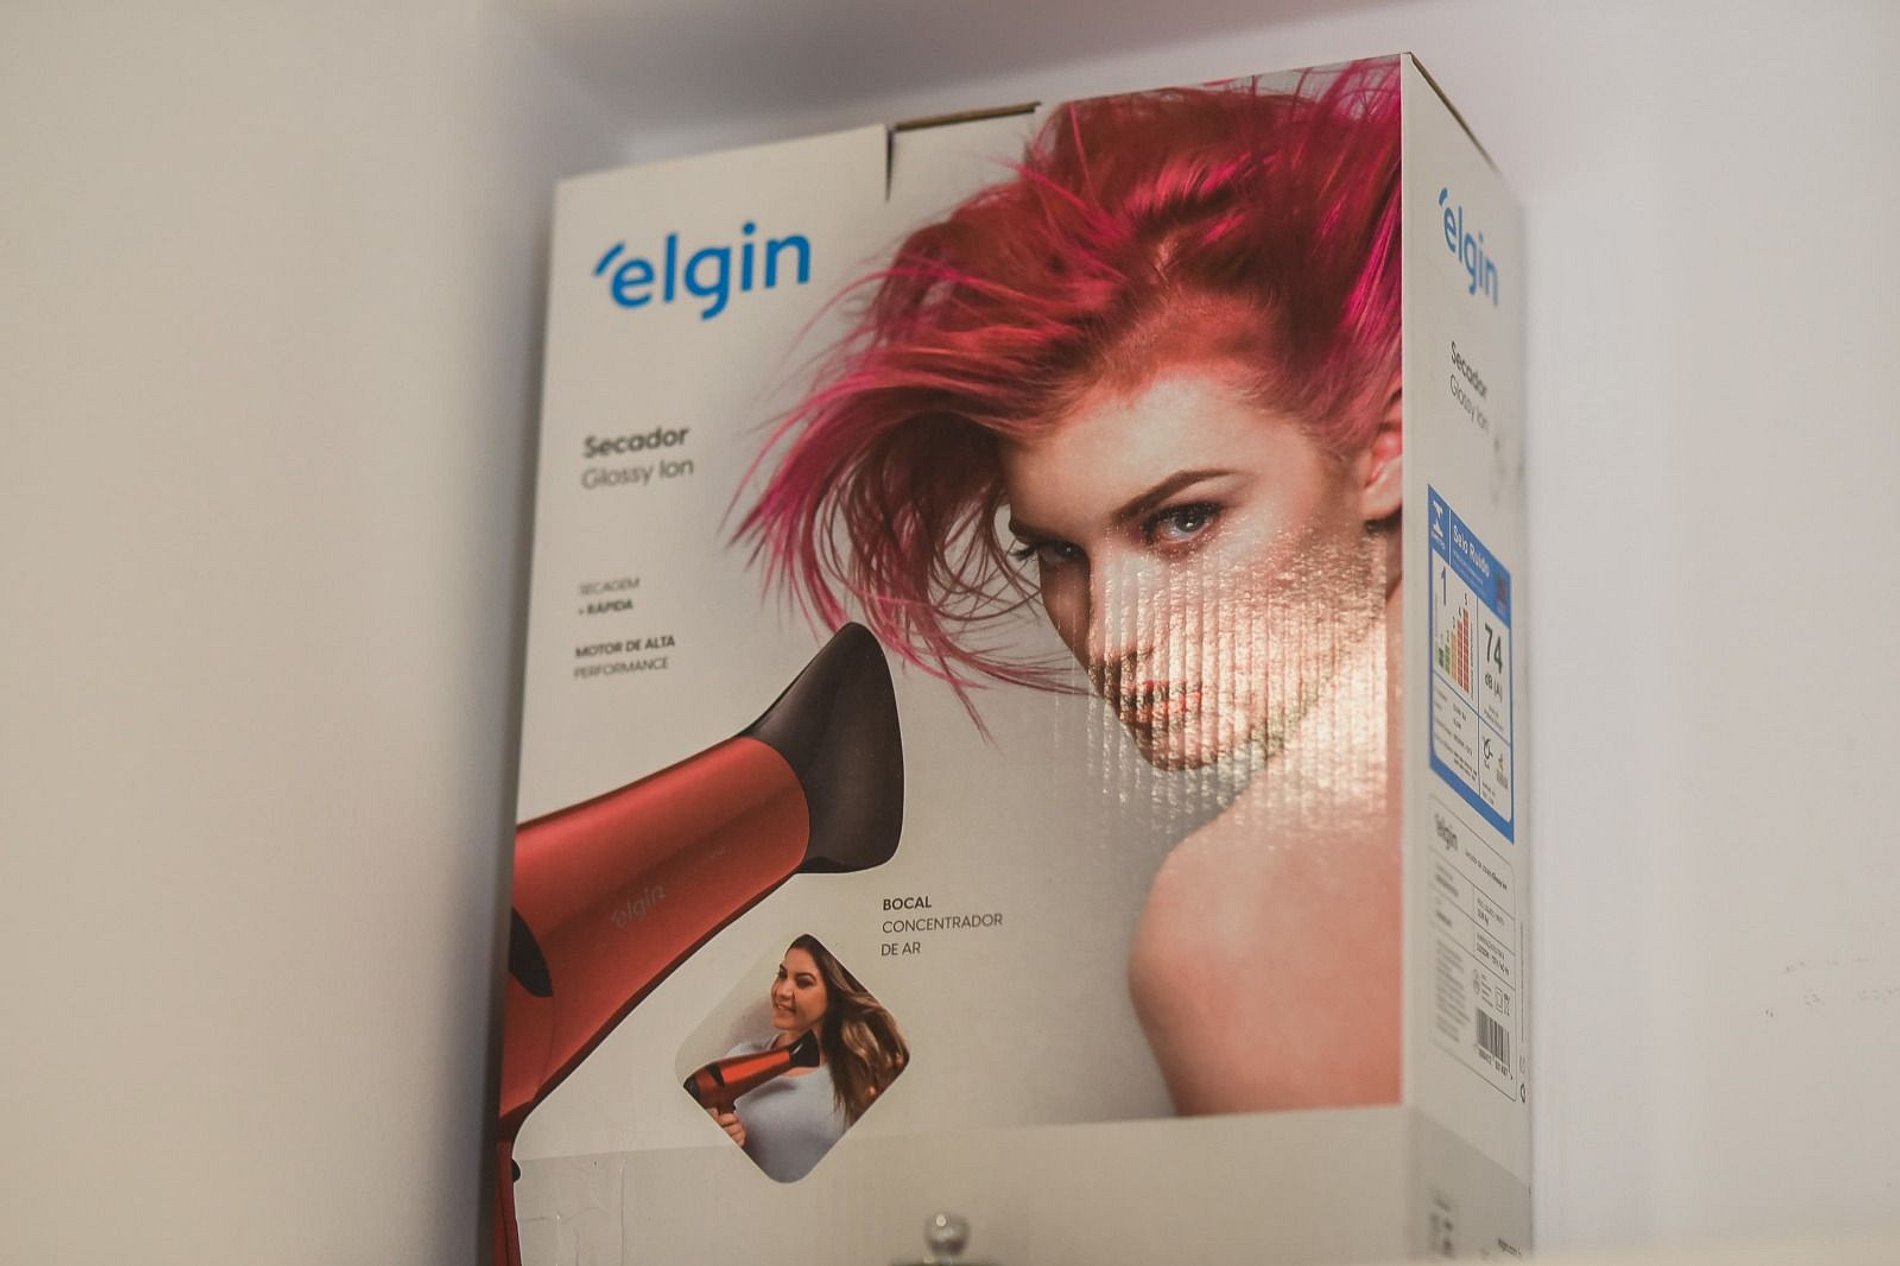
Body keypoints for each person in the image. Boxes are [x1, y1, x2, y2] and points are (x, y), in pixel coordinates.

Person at [742, 61, 1404, 1114]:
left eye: (1183, 520)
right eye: (1054, 553)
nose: (1109, 636)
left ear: (1383, 449)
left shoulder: (1229, 923)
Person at [708, 935, 909, 1181]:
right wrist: (718, 1141)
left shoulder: (863, 1072)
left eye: (803, 982)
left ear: (834, 996)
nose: (782, 991)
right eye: (782, 975)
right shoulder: (739, 1058)